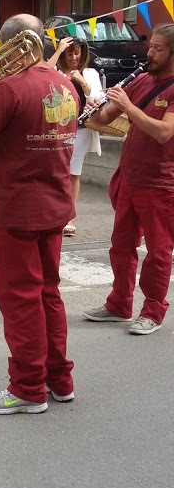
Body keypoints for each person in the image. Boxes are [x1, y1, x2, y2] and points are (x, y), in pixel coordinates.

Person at [0, 13, 78, 415]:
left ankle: (27, 388)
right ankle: (59, 380)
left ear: (6, 45)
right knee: (48, 294)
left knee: (20, 300)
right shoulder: (65, 84)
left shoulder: (7, 90)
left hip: (15, 209)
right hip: (55, 204)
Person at [83, 23, 174, 336]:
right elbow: (105, 119)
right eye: (151, 46)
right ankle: (119, 303)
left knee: (159, 253)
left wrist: (128, 106)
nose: (149, 53)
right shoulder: (142, 79)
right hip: (130, 176)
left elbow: (163, 132)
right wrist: (91, 110)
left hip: (162, 183)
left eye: (158, 48)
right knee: (121, 245)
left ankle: (153, 311)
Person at [47, 36, 103, 236]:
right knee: (54, 172)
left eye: (77, 53)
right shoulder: (55, 71)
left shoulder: (90, 73)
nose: (73, 58)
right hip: (56, 129)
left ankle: (68, 216)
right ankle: (53, 213)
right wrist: (58, 50)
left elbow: (97, 99)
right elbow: (41, 74)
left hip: (80, 129)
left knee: (73, 173)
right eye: (69, 53)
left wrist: (82, 82)